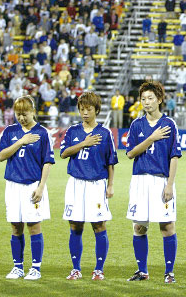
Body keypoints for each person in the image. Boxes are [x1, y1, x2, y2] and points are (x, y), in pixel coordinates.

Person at [125, 81, 181, 283]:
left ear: (159, 99)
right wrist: (151, 138)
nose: (146, 102)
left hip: (160, 181)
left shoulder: (169, 124)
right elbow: (130, 153)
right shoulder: (136, 125)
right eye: (143, 99)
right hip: (139, 180)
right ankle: (142, 271)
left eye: (150, 98)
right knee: (139, 227)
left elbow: (174, 156)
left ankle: (169, 272)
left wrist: (170, 184)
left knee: (167, 226)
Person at [60, 91, 118, 281]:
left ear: (96, 110)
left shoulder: (105, 133)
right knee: (75, 225)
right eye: (82, 109)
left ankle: (98, 269)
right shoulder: (73, 131)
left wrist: (110, 185)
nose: (85, 113)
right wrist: (84, 144)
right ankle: (75, 269)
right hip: (75, 183)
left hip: (96, 184)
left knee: (98, 225)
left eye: (89, 109)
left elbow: (111, 162)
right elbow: (63, 153)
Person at [0, 96, 54, 280]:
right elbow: (1, 156)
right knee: (15, 227)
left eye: (25, 114)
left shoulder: (43, 133)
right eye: (18, 114)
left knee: (34, 226)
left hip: (32, 185)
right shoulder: (10, 131)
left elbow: (47, 162)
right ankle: (18, 267)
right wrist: (21, 141)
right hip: (13, 185)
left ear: (33, 111)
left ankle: (35, 268)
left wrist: (41, 187)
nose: (21, 118)